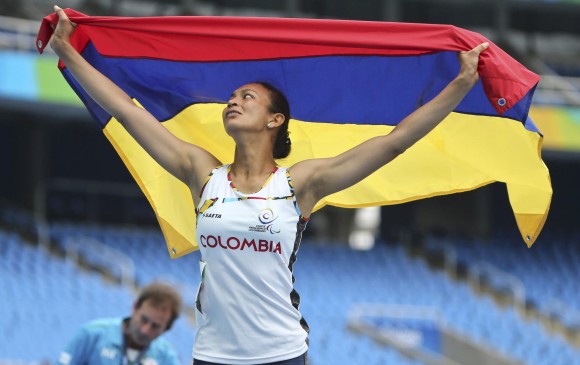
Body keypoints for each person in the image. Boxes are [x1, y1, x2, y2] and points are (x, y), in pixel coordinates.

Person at [49, 5, 488, 365]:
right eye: (231, 97)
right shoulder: (202, 173)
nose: (232, 101)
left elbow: (393, 143)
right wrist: (68, 51)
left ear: (275, 120)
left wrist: (461, 84)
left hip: (282, 353)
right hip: (212, 355)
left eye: (247, 97)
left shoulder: (301, 183)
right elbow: (128, 113)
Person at [57, 282, 183, 365]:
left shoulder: (167, 357)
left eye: (155, 326)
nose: (145, 330)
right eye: (143, 320)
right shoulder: (92, 335)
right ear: (134, 308)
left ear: (167, 328)